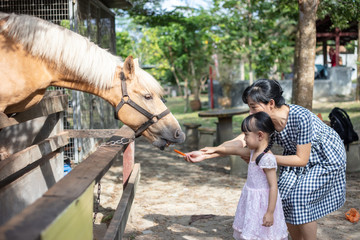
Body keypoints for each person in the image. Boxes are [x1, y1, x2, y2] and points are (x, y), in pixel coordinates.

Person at [184, 79, 346, 240]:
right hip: (294, 155)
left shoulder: (300, 117)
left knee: (300, 198)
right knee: (280, 198)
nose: (250, 113)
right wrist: (207, 153)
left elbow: (301, 160)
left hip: (325, 157)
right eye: (249, 107)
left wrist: (265, 158)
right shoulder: (265, 122)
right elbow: (240, 141)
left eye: (253, 107)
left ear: (271, 103)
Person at [235, 112, 288, 239]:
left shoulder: (267, 158)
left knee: (264, 234)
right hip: (252, 201)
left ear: (260, 135)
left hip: (263, 204)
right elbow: (236, 150)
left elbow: (273, 187)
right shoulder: (253, 151)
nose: (244, 139)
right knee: (252, 231)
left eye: (246, 135)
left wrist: (270, 212)